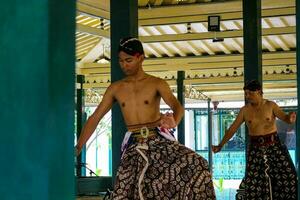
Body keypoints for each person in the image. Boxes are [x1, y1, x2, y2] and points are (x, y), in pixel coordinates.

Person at [75, 37, 216, 199]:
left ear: (141, 58)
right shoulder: (116, 88)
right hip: (133, 146)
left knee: (197, 164)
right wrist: (78, 147)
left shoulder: (157, 83)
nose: (124, 65)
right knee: (123, 192)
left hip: (159, 142)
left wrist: (173, 120)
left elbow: (177, 107)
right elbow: (95, 117)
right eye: (120, 61)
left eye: (128, 60)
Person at [212, 80, 297, 200]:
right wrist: (220, 145)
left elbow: (285, 118)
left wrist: (290, 118)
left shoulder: (271, 105)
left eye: (249, 93)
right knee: (253, 182)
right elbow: (232, 129)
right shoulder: (245, 110)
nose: (247, 96)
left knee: (288, 176)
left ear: (258, 92)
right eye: (246, 94)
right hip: (255, 149)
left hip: (274, 146)